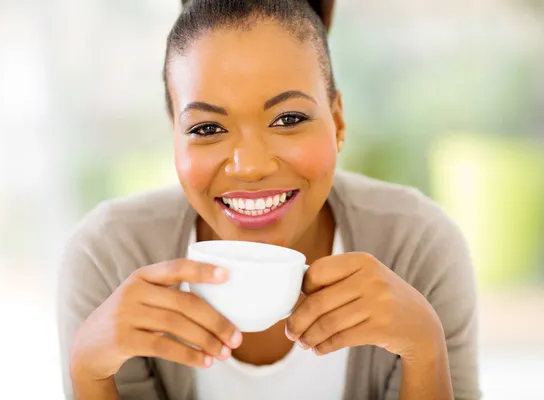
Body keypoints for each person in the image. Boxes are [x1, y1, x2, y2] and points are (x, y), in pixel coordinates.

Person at [57, 1, 480, 399]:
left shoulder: (417, 246)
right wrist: (89, 376)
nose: (250, 166)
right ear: (173, 136)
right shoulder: (108, 257)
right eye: (206, 128)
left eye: (289, 119)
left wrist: (426, 351)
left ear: (337, 121)